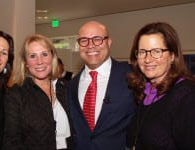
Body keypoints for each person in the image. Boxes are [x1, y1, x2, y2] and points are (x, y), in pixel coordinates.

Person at [67, 20, 136, 150]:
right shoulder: (70, 86)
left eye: (97, 39)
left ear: (108, 42)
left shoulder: (132, 77)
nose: (90, 45)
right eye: (84, 40)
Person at [126, 22, 195, 150]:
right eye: (142, 52)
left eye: (156, 51)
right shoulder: (146, 92)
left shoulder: (187, 95)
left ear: (172, 55)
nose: (147, 59)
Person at [3, 34, 74, 150]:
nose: (39, 61)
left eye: (44, 54)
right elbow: (12, 142)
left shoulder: (65, 87)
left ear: (53, 57)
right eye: (32, 56)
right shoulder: (16, 94)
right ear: (26, 62)